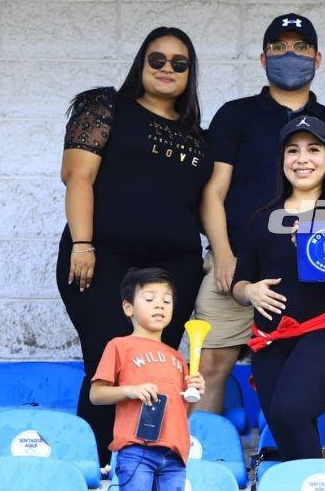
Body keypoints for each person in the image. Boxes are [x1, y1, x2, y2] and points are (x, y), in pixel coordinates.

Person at [57, 26, 212, 465]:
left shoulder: (198, 135)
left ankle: (142, 462)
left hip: (172, 267)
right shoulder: (106, 106)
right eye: (156, 59)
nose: (167, 69)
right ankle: (97, 466)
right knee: (108, 360)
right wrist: (82, 244)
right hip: (103, 257)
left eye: (179, 63)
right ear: (141, 63)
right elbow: (77, 176)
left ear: (190, 73)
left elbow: (204, 204)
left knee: (156, 367)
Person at [195, 13, 325, 414]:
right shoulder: (235, 114)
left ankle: (317, 459)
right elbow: (213, 191)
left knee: (314, 371)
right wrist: (225, 254)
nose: (290, 55)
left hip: (315, 269)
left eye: (300, 48)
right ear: (263, 59)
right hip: (234, 262)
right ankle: (202, 461)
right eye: (278, 48)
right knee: (212, 363)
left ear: (318, 58)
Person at [232, 115, 325, 461]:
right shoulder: (262, 216)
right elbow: (239, 282)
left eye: (313, 150)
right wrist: (249, 291)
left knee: (290, 410)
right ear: (282, 160)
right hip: (270, 338)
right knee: (282, 420)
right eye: (293, 151)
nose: (302, 159)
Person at [89, 268, 206, 491]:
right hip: (137, 449)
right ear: (128, 307)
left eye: (166, 300)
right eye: (150, 299)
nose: (160, 306)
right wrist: (131, 390)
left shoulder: (177, 357)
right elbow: (96, 395)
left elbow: (184, 411)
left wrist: (195, 393)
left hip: (174, 453)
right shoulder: (119, 346)